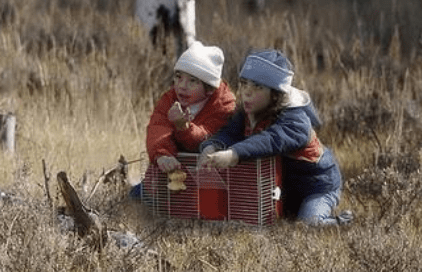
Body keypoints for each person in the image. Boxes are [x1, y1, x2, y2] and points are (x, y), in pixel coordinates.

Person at [199, 49, 351, 226]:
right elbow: (229, 133)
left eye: (258, 87)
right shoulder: (248, 113)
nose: (247, 92)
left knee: (308, 223)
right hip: (285, 188)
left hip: (317, 187)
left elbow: (271, 140)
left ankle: (340, 222)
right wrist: (212, 146)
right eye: (244, 84)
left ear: (275, 94)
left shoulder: (295, 120)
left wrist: (234, 153)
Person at [130, 41, 236, 200]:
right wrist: (162, 154)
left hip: (208, 173)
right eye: (178, 77)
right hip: (172, 169)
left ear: (208, 89)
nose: (182, 86)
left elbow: (206, 140)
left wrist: (184, 127)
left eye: (192, 81)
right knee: (138, 196)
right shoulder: (170, 99)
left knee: (200, 204)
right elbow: (158, 128)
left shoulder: (223, 105)